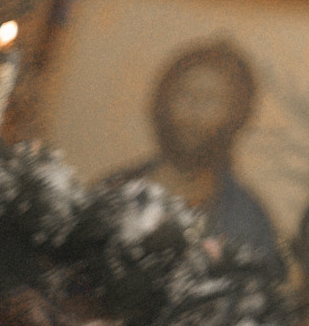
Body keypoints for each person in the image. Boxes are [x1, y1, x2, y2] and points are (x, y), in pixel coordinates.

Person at [113, 39, 283, 270]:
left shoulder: (248, 218)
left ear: (237, 114)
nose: (193, 111)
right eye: (184, 94)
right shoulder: (115, 191)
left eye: (210, 99)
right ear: (162, 101)